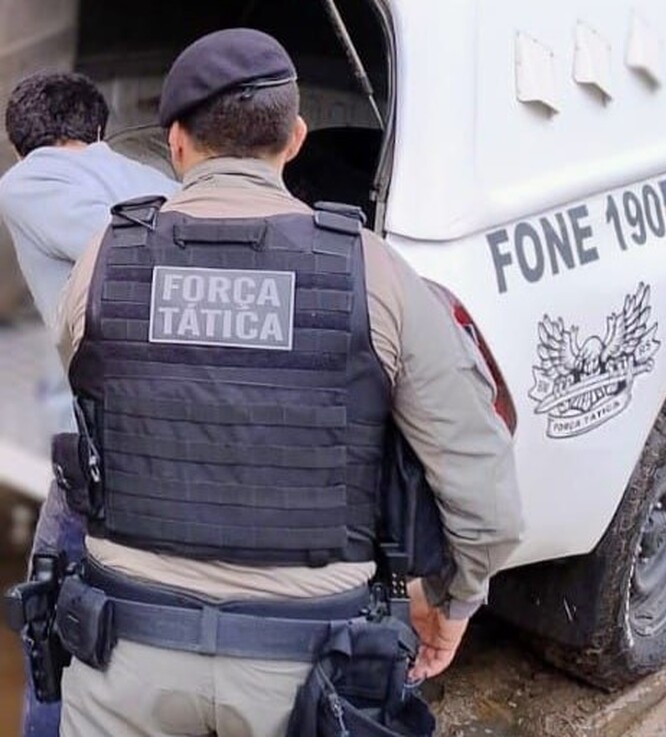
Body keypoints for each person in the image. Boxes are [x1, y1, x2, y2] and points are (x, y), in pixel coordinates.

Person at [54, 28, 522, 737]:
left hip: (125, 655)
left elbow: (94, 391)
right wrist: (452, 603)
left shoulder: (103, 260)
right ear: (297, 137)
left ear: (176, 142)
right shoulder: (377, 273)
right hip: (311, 668)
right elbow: (487, 501)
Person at [0, 71, 177, 737]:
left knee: (49, 621)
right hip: (184, 434)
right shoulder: (152, 176)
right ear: (98, 130)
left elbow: (133, 255)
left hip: (104, 445)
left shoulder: (28, 181)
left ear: (24, 145)